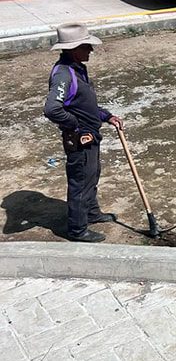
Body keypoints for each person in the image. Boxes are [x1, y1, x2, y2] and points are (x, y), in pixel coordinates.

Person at [44, 23, 124, 243]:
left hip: (90, 137)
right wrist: (75, 124)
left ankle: (91, 213)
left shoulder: (78, 69)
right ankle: (78, 230)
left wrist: (106, 116)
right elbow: (52, 109)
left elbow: (83, 104)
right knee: (80, 182)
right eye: (86, 46)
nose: (91, 50)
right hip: (79, 140)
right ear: (73, 49)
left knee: (92, 175)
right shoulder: (64, 75)